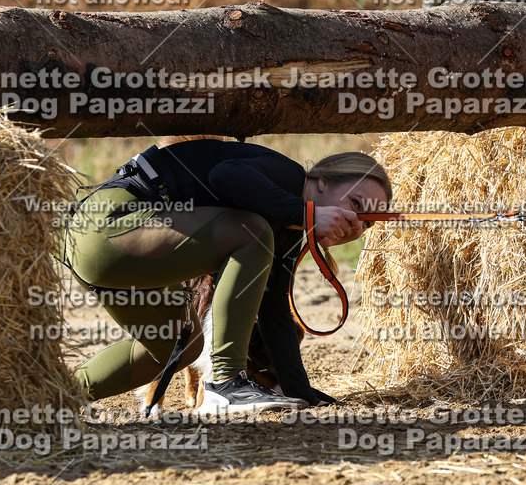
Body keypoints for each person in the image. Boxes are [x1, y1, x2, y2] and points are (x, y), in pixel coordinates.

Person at [63, 135, 392, 414]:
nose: (356, 223)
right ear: (323, 182)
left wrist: (303, 394)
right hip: (105, 227)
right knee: (252, 231)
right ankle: (224, 383)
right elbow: (225, 175)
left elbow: (274, 309)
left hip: (116, 253)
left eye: (368, 222)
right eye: (356, 203)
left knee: (178, 345)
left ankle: (53, 397)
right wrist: (306, 213)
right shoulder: (288, 177)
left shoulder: (290, 224)